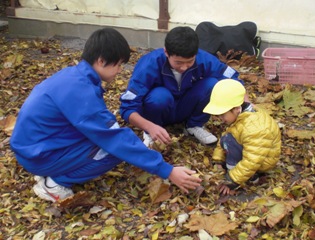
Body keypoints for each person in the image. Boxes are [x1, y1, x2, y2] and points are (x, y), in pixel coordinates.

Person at [10, 27, 202, 203]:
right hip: (38, 155)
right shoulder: (79, 91)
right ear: (101, 61)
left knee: (115, 141)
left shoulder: (75, 76)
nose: (120, 71)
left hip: (37, 145)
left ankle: (53, 167)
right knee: (113, 151)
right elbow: (114, 139)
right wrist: (168, 170)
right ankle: (54, 182)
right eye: (118, 65)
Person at [119, 26, 247, 147]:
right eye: (178, 62)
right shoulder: (149, 64)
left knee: (211, 84)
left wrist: (248, 107)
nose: (184, 67)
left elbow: (233, 79)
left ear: (196, 54)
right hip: (158, 110)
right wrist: (148, 126)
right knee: (159, 95)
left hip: (185, 107)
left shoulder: (203, 58)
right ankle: (152, 133)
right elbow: (127, 107)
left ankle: (194, 125)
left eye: (190, 62)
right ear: (166, 52)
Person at [203, 79, 281, 195]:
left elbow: (252, 160)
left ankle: (251, 176)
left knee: (231, 140)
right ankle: (237, 169)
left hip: (262, 161)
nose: (220, 119)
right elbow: (225, 136)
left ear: (236, 109)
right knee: (228, 138)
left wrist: (232, 180)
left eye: (222, 115)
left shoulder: (254, 127)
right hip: (254, 153)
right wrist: (218, 160)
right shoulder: (240, 117)